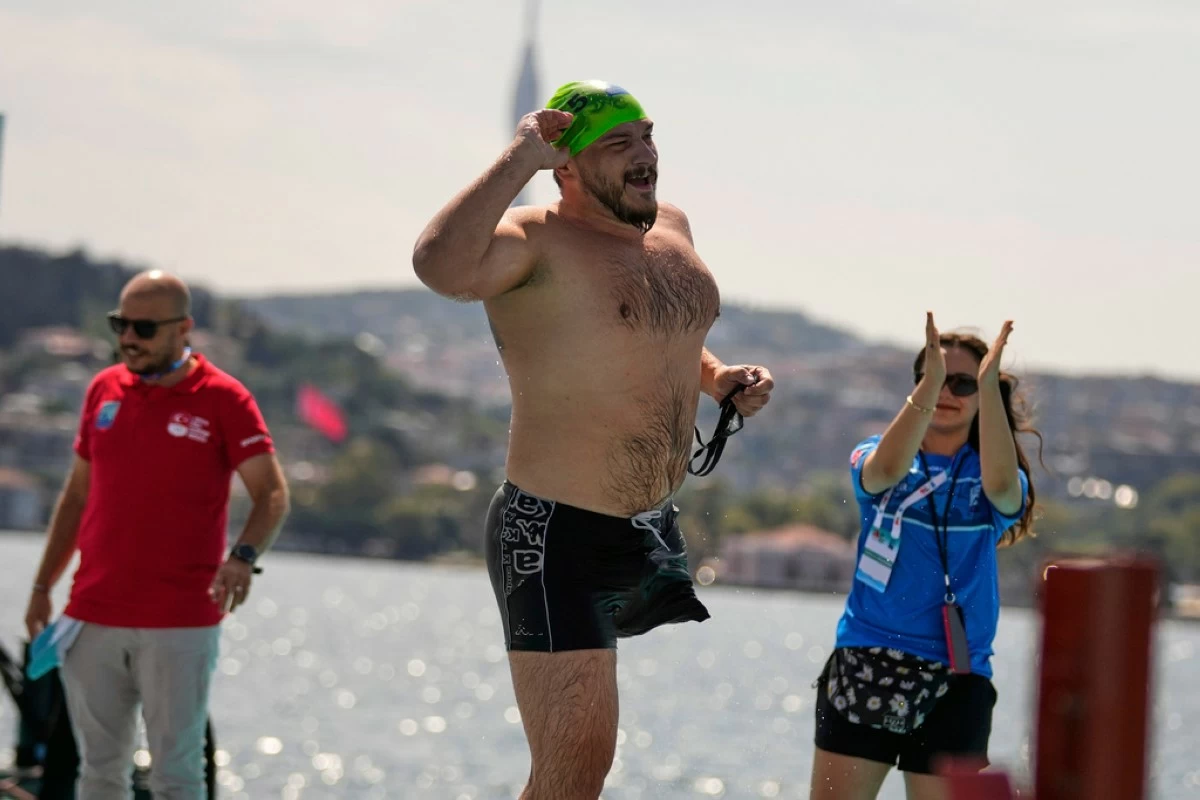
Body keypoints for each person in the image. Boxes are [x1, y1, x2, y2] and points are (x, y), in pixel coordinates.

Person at [412, 79, 775, 799]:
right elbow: (438, 265)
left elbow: (656, 333)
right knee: (575, 766)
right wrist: (520, 157)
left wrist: (717, 378)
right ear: (567, 165)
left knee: (585, 768)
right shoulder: (531, 241)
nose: (645, 154)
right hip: (554, 530)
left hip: (648, 527)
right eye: (618, 143)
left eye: (648, 135)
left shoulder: (672, 226)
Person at [23, 270, 290, 799]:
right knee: (98, 774)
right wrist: (41, 586)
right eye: (120, 324)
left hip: (180, 620)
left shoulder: (224, 398)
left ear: (182, 328)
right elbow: (76, 497)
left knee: (177, 777)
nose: (128, 338)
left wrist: (241, 556)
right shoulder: (102, 389)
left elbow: (272, 493)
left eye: (143, 328)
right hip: (92, 615)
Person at [810, 313, 1041, 800]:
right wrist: (929, 388)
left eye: (965, 383)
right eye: (936, 377)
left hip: (958, 678)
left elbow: (1003, 489)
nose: (948, 392)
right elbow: (884, 471)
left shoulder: (995, 476)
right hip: (867, 659)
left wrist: (988, 388)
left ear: (985, 395)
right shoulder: (875, 453)